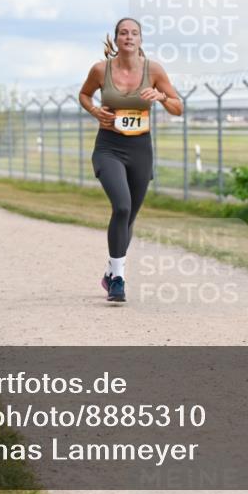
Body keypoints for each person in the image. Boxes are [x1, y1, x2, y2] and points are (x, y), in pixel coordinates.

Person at [78, 18, 183, 302]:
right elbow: (85, 94)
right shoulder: (101, 69)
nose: (129, 37)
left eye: (134, 33)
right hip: (108, 148)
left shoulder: (154, 70)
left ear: (140, 39)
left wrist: (160, 96)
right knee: (121, 207)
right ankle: (119, 280)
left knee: (130, 216)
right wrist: (94, 111)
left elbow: (178, 108)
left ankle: (111, 270)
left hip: (140, 150)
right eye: (123, 32)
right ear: (116, 38)